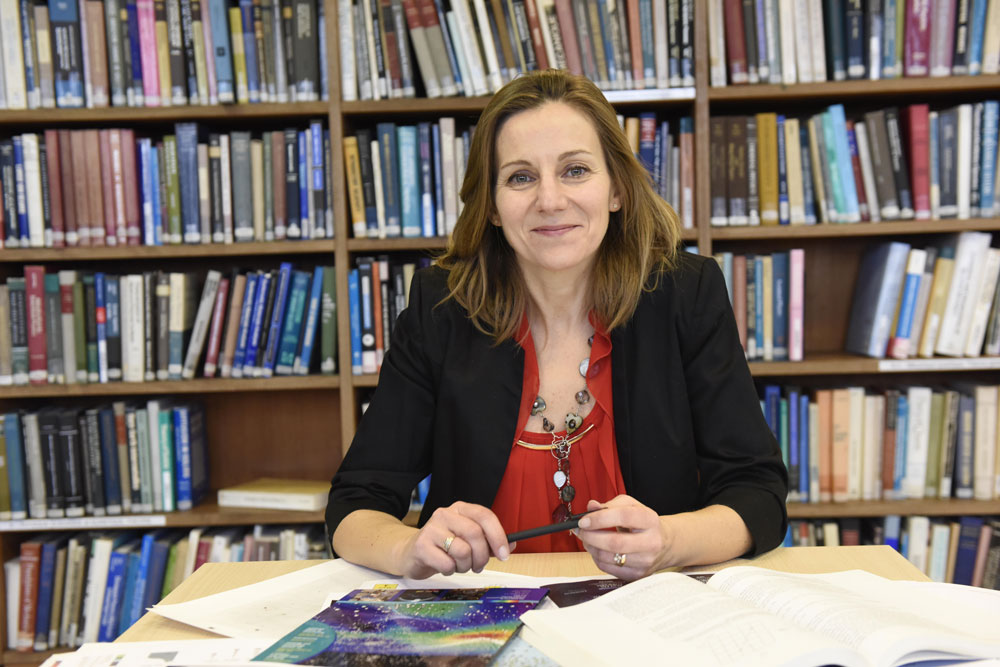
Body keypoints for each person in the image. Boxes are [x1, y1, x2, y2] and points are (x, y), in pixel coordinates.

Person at [326, 69, 787, 582]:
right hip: (486, 623)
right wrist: (408, 548)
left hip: (647, 622)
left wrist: (672, 542)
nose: (550, 199)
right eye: (520, 177)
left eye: (575, 170)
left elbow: (757, 491)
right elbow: (355, 503)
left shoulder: (685, 294)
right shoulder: (443, 308)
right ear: (494, 207)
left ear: (616, 189)